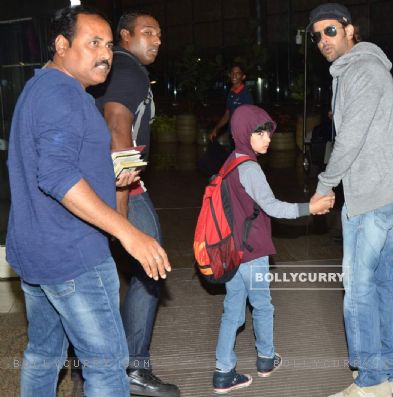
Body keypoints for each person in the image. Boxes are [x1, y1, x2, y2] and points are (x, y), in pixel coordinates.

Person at [6, 6, 171, 397]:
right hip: (73, 256)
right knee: (108, 366)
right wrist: (128, 232)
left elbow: (59, 165)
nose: (105, 54)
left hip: (38, 251)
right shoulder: (61, 94)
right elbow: (58, 177)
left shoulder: (43, 87)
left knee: (44, 354)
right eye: (93, 43)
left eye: (109, 45)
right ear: (62, 46)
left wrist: (114, 181)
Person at [308, 4, 393, 397]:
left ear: (349, 30)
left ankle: (370, 380)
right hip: (378, 190)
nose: (323, 41)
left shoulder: (363, 70)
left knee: (357, 287)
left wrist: (325, 184)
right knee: (382, 280)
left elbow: (349, 138)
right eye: (317, 36)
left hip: (374, 194)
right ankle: (389, 372)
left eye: (330, 31)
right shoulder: (353, 70)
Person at [212, 104, 334, 394]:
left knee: (232, 311)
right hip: (252, 253)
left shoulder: (230, 161)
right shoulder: (250, 168)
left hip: (230, 252)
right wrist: (310, 207)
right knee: (263, 305)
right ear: (244, 133)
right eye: (260, 132)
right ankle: (266, 359)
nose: (267, 137)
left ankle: (222, 371)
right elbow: (274, 208)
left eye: (268, 131)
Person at [92, 11, 179, 397]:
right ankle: (133, 368)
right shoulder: (129, 70)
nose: (156, 40)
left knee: (107, 277)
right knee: (151, 268)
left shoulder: (116, 70)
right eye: (147, 33)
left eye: (159, 34)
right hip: (121, 187)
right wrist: (122, 206)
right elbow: (116, 124)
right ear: (124, 37)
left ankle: (102, 366)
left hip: (110, 184)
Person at [209, 63, 254, 146]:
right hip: (232, 135)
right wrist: (216, 128)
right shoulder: (231, 93)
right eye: (232, 73)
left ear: (243, 77)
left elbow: (251, 115)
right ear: (230, 75)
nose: (234, 75)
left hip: (243, 136)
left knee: (242, 158)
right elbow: (227, 114)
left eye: (238, 73)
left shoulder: (246, 93)